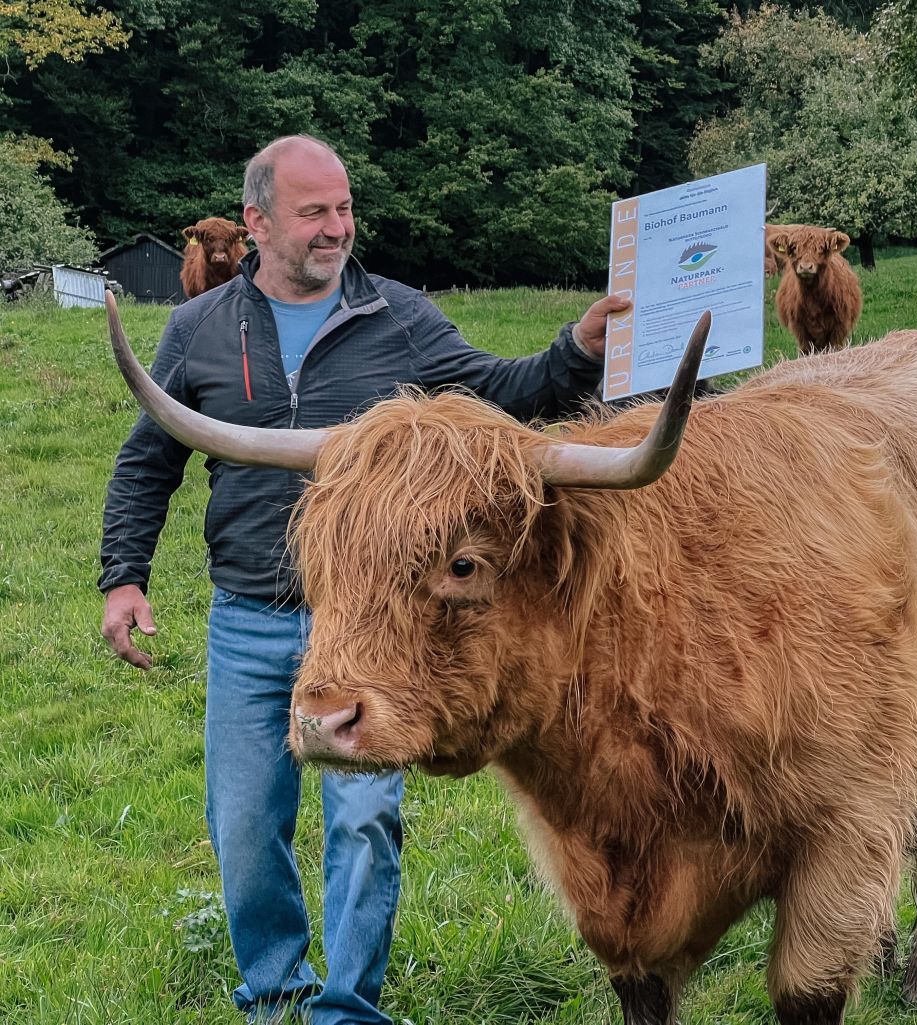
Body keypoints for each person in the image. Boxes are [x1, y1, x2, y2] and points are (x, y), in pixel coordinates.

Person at [99, 134, 629, 1025]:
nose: (337, 228)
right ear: (258, 222)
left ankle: (347, 1009)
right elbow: (151, 457)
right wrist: (124, 576)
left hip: (379, 620)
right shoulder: (198, 327)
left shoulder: (400, 317)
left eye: (344, 209)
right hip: (246, 615)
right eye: (315, 212)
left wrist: (574, 349)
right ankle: (274, 991)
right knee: (244, 823)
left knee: (361, 820)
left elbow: (502, 393)